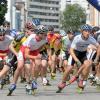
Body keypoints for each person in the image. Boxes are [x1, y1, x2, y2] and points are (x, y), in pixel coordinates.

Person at [56, 24, 100, 93]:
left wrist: (97, 58)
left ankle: (81, 80)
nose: (88, 33)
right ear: (82, 31)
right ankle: (63, 82)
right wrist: (76, 60)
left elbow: (98, 47)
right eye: (86, 31)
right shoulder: (77, 38)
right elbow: (71, 50)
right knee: (69, 68)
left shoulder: (91, 38)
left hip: (83, 53)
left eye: (89, 31)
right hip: (74, 53)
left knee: (88, 64)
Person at [8, 25, 48, 96]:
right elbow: (26, 55)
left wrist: (37, 51)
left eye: (45, 33)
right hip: (24, 50)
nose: (44, 35)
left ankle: (34, 81)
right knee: (20, 66)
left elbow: (42, 45)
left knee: (38, 64)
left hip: (34, 50)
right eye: (42, 33)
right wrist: (35, 57)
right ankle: (13, 83)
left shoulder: (45, 39)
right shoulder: (31, 38)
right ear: (37, 33)